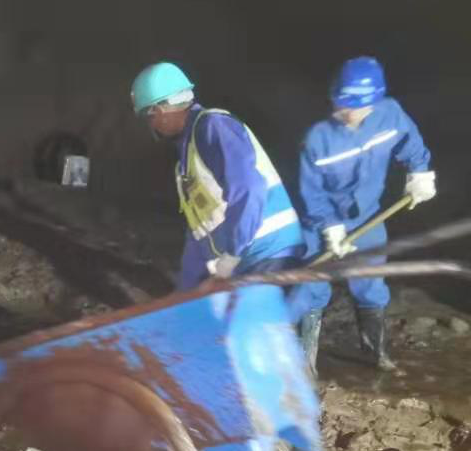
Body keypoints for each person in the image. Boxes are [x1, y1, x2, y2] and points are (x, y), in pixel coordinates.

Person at [292, 57, 434, 372]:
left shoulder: (390, 114)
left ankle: (376, 354)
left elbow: (410, 142)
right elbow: (310, 192)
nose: (346, 111)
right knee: (311, 287)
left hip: (367, 217)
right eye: (341, 103)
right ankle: (304, 362)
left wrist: (419, 172)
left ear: (374, 101)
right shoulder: (317, 139)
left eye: (354, 106)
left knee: (370, 282)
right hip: (320, 221)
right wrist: (330, 227)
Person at [129, 62, 304, 290]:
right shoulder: (187, 161)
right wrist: (185, 292)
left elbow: (249, 189)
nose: (151, 125)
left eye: (148, 117)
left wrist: (232, 254)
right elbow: (199, 233)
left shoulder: (214, 127)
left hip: (270, 252)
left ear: (159, 111)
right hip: (243, 262)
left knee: (262, 314)